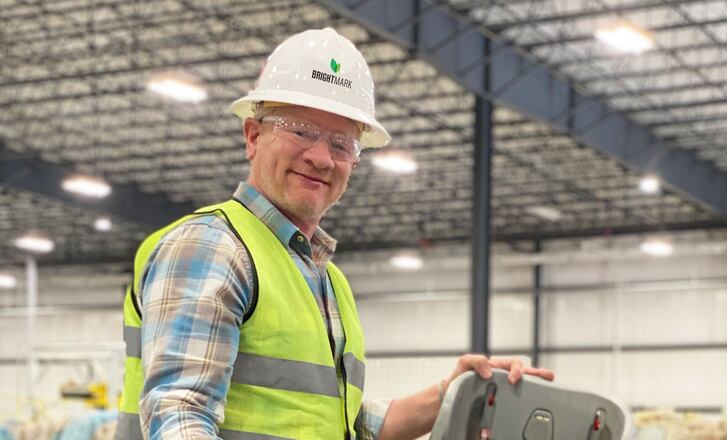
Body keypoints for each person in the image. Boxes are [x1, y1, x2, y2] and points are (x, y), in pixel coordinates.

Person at [116, 28, 554, 440]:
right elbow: (180, 414)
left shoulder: (326, 279)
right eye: (301, 131)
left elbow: (346, 424)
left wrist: (454, 395)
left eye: (342, 144)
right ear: (253, 135)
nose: (322, 158)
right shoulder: (214, 246)